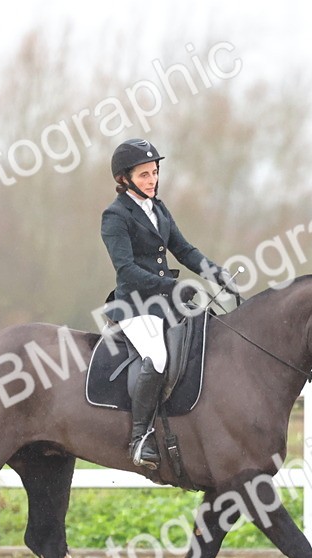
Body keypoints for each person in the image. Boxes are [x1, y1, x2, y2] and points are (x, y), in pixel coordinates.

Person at [100, 137, 239, 469]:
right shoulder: (115, 216)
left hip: (165, 302)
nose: (152, 180)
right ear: (124, 179)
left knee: (203, 341)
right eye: (145, 175)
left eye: (155, 172)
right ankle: (140, 438)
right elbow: (127, 270)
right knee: (158, 358)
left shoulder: (158, 209)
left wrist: (214, 272)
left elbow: (184, 249)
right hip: (134, 306)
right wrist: (172, 285)